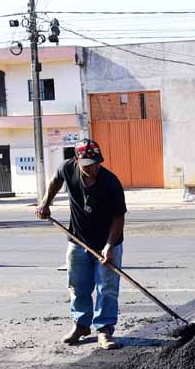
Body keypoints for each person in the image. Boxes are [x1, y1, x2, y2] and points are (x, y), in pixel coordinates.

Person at [35, 139, 127, 350]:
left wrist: (110, 246)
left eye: (96, 163)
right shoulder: (67, 169)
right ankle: (81, 325)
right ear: (77, 161)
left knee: (107, 287)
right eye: (87, 165)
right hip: (77, 240)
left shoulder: (110, 182)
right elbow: (55, 181)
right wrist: (45, 203)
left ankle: (104, 329)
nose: (93, 168)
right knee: (78, 286)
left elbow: (118, 217)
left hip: (107, 243)